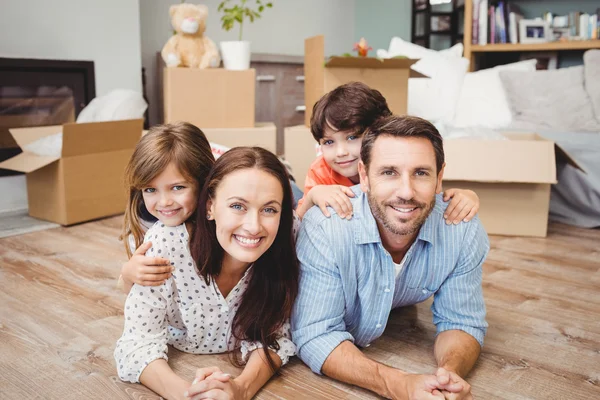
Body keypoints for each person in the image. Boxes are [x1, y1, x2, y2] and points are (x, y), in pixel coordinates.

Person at [291, 115, 489, 400]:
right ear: (363, 175)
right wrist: (398, 384)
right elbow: (316, 334)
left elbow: (462, 321)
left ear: (440, 177)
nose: (406, 192)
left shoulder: (462, 228)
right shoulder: (325, 227)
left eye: (421, 173)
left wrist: (449, 374)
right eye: (388, 173)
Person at [115, 142, 299, 400]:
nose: (253, 226)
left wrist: (242, 389)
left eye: (269, 209)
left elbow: (277, 336)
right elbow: (136, 345)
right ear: (210, 206)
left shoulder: (288, 235)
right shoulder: (165, 244)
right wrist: (188, 395)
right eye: (238, 206)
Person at [296, 82, 479, 225]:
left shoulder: (400, 159)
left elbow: (427, 196)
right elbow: (300, 222)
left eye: (352, 137)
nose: (341, 152)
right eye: (329, 142)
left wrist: (466, 196)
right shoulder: (321, 170)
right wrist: (313, 197)